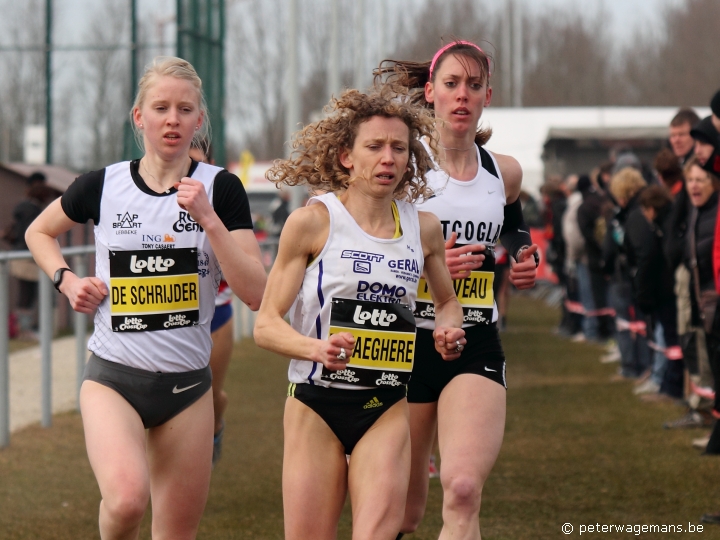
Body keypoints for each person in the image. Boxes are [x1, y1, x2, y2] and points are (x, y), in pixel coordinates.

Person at [25, 56, 267, 539]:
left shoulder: (222, 189)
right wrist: (68, 281)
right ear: (140, 117)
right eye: (161, 108)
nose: (172, 119)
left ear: (199, 119)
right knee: (127, 500)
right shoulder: (104, 184)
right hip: (115, 381)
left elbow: (256, 292)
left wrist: (209, 220)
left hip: (186, 391)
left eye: (184, 109)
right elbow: (38, 232)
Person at [253, 86, 466, 540]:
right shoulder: (312, 223)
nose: (388, 157)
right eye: (374, 146)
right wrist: (317, 348)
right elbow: (266, 325)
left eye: (399, 148)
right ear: (347, 156)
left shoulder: (423, 228)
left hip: (385, 403)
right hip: (316, 404)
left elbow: (447, 302)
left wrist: (449, 329)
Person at [376, 40, 539, 539]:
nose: (462, 95)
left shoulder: (502, 172)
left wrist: (523, 255)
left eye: (473, 85)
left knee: (464, 488)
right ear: (430, 92)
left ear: (488, 93)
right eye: (451, 84)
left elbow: (512, 225)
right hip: (404, 342)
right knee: (401, 513)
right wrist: (428, 262)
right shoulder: (403, 166)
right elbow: (362, 243)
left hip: (473, 341)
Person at [188, 140, 234, 466]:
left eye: (195, 167)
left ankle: (217, 420)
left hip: (217, 310)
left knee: (211, 394)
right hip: (171, 313)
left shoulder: (226, 197)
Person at [3, 172, 50, 337]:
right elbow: (29, 234)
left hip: (20, 254)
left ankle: (22, 328)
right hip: (26, 255)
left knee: (26, 292)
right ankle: (23, 329)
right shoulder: (32, 209)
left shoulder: (23, 206)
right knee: (27, 293)